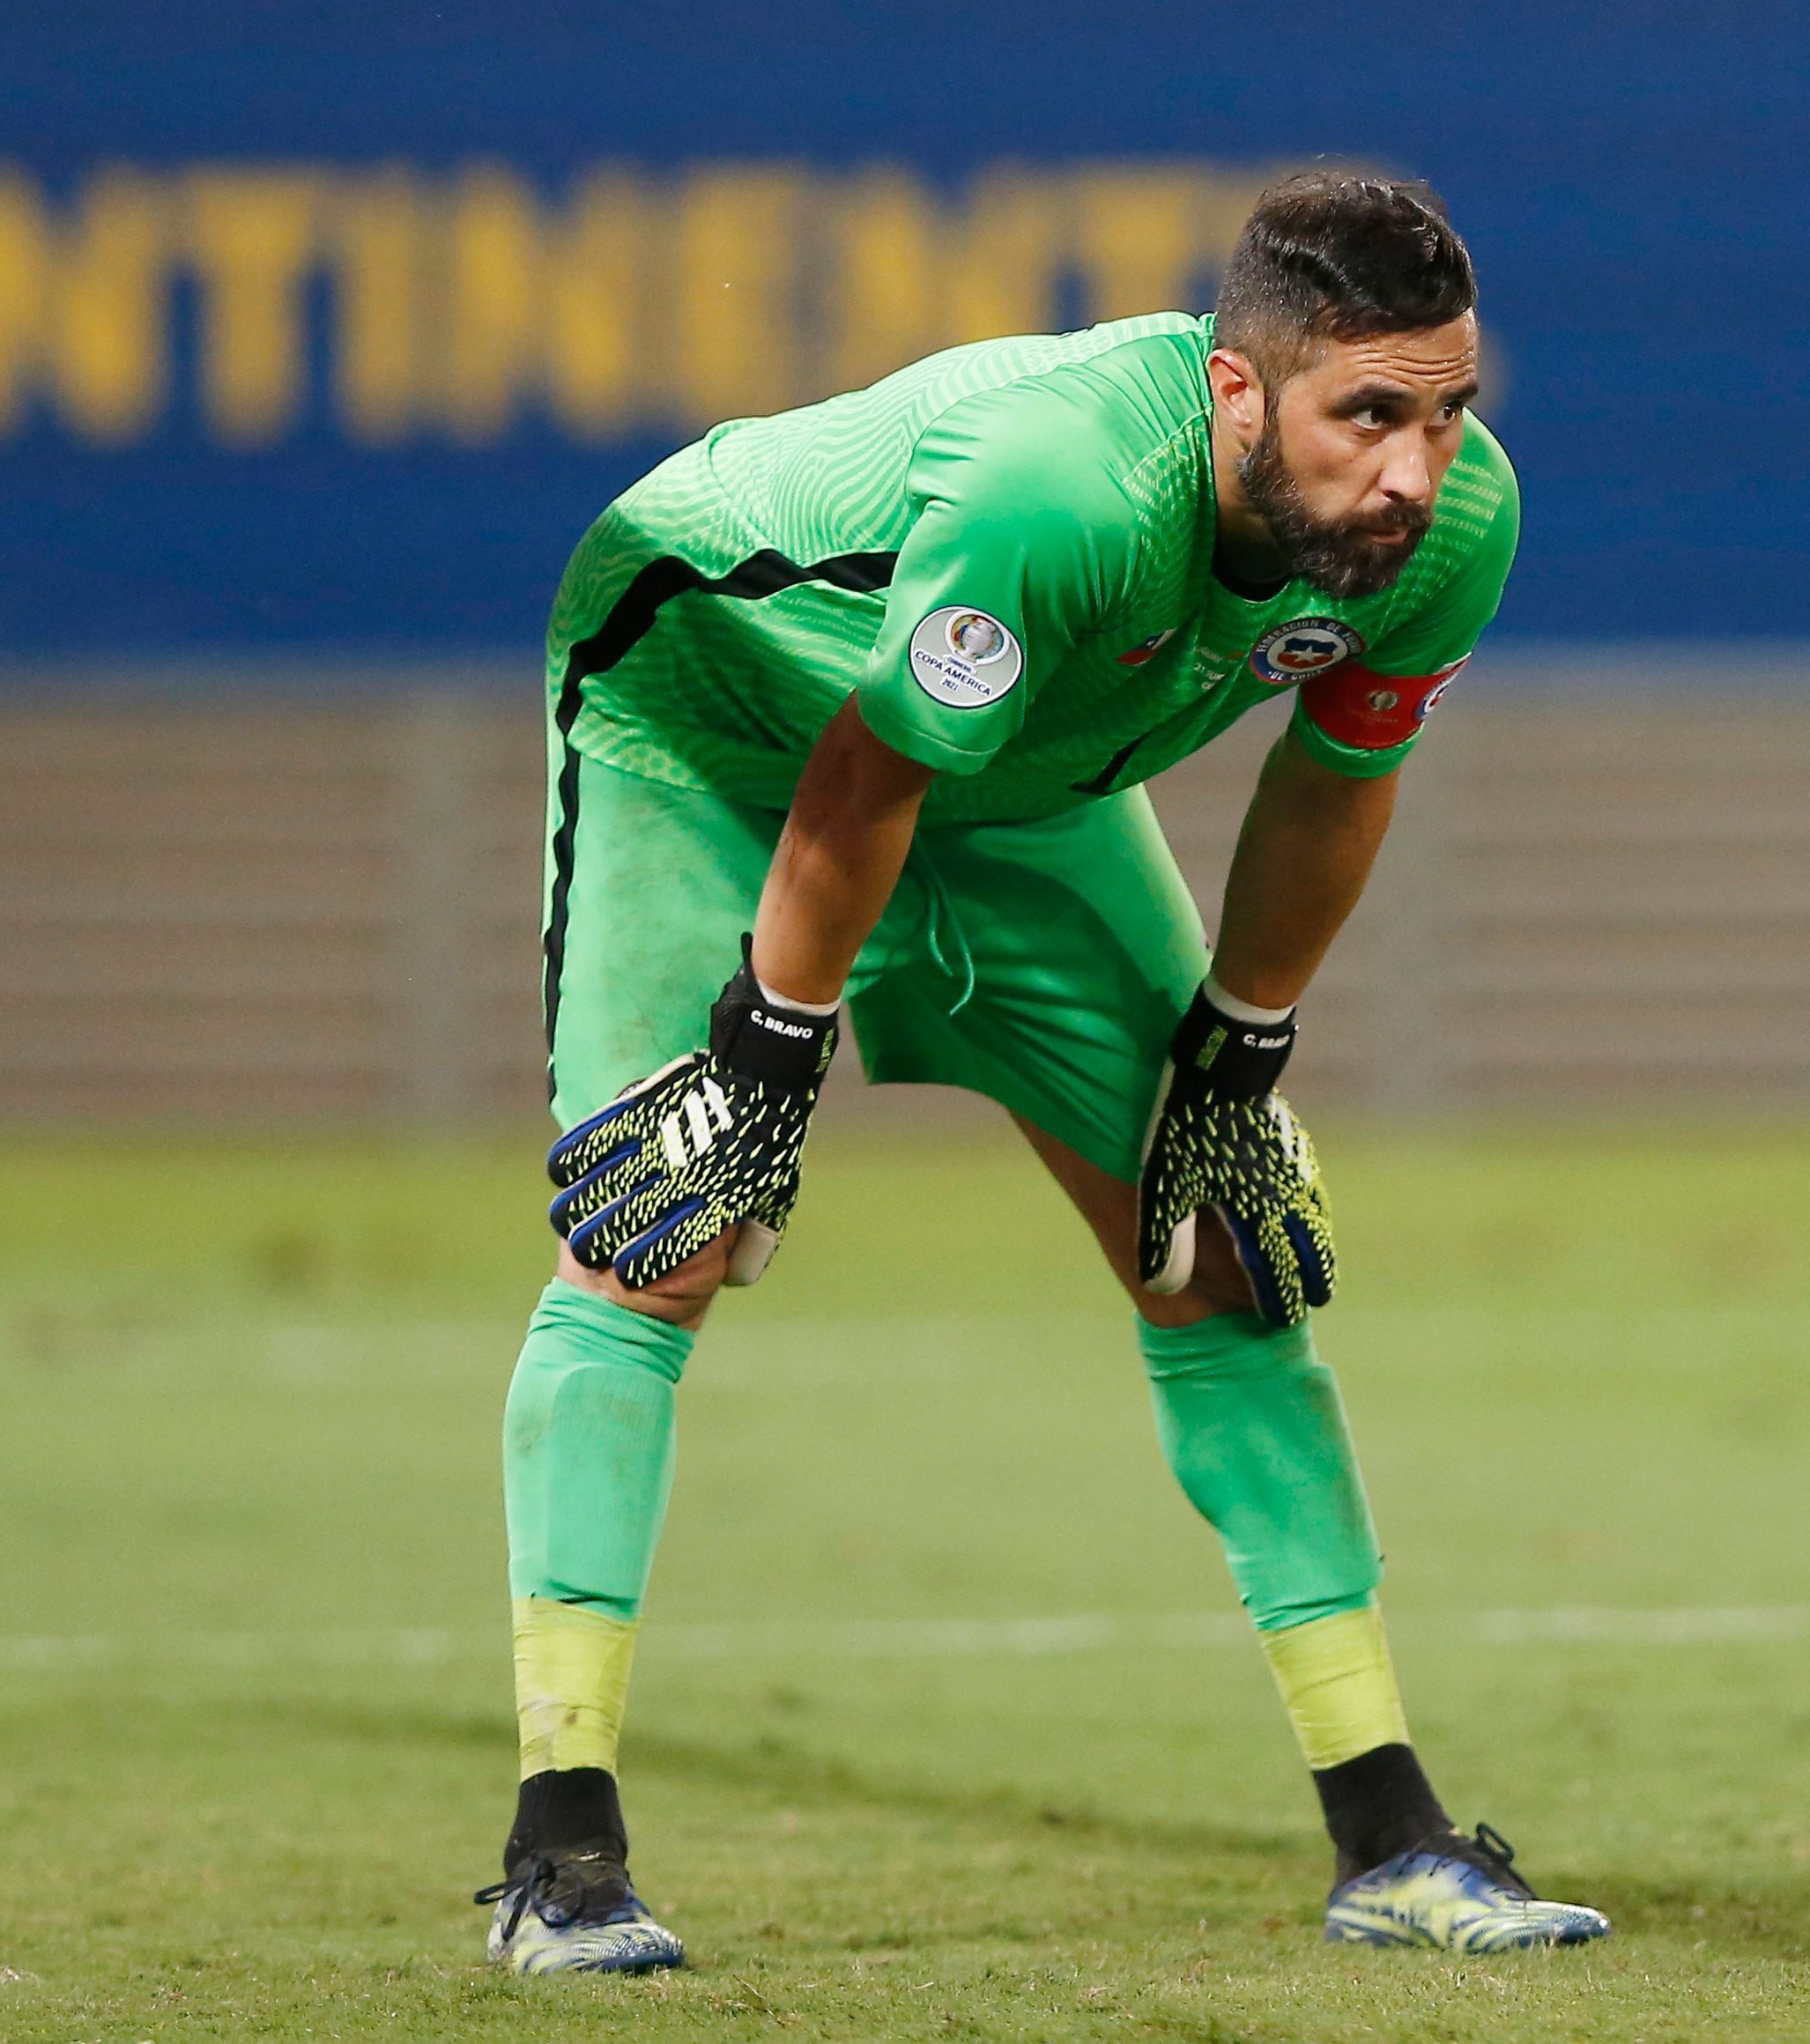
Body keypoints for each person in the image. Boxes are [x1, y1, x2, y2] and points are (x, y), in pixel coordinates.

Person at [477, 169, 1609, 1974]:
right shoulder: (1061, 486)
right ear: (1241, 396)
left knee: (1223, 1248)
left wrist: (1239, 1045)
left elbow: (1338, 775)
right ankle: (563, 1854)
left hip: (1009, 784)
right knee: (661, 1230)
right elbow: (862, 767)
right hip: (709, 712)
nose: (1413, 467)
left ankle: (1389, 1837)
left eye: (1446, 409)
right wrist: (769, 1056)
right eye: (1367, 414)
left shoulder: (1453, 525)